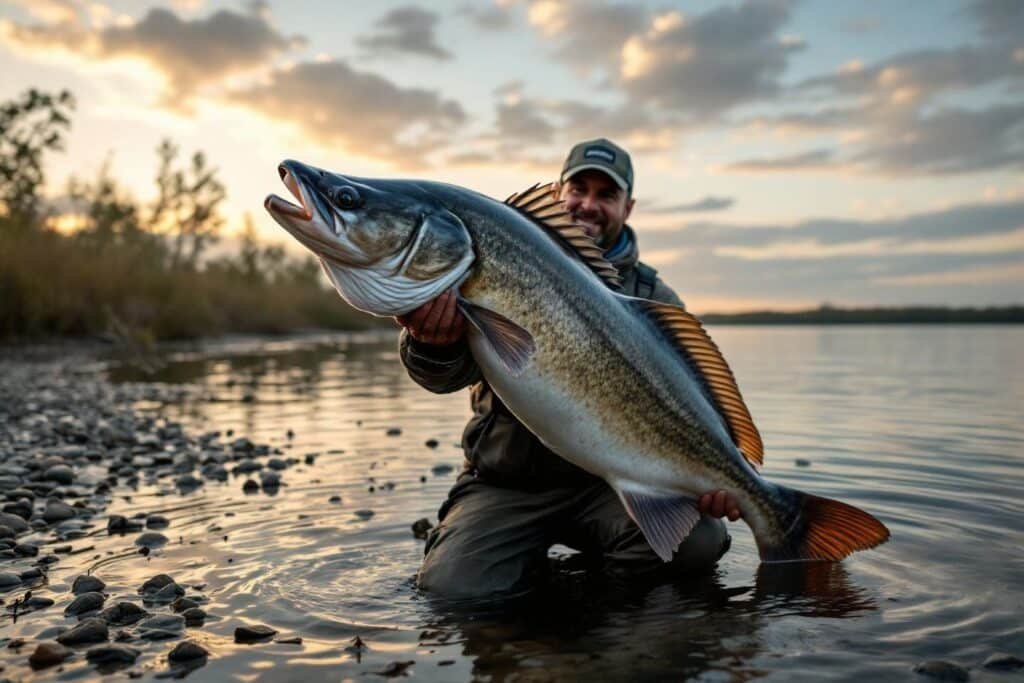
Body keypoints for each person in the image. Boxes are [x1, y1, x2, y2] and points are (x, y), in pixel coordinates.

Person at [396, 138, 741, 599]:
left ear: (628, 206)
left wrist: (722, 473)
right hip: (506, 483)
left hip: (608, 488)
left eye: (606, 194)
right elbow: (444, 378)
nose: (589, 204)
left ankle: (590, 623)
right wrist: (431, 343)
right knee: (452, 591)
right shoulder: (496, 255)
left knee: (700, 543)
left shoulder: (654, 299)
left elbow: (696, 398)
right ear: (558, 192)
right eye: (579, 188)